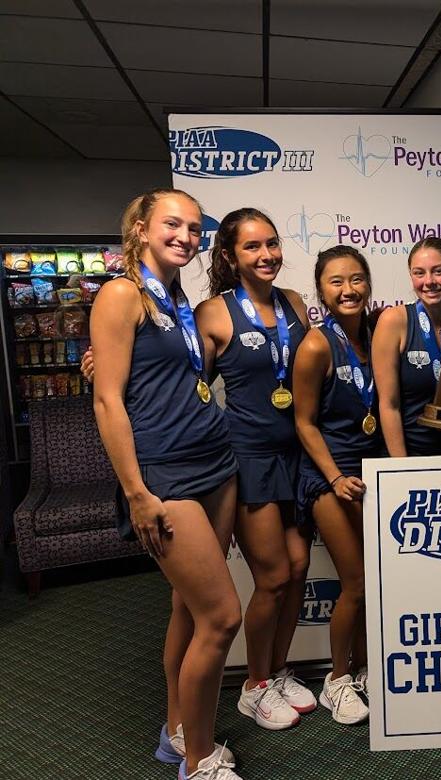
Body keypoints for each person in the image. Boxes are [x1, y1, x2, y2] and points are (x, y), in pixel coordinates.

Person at [91, 189, 242, 779]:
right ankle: (200, 761)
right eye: (173, 224)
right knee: (223, 617)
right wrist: (136, 494)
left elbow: (165, 375)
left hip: (216, 464)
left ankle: (176, 731)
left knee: (189, 606)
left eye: (195, 228)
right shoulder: (121, 293)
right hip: (165, 477)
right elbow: (109, 402)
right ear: (141, 229)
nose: (186, 235)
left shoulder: (179, 299)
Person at [193, 208, 316, 730]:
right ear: (229, 256)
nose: (266, 255)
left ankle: (278, 669)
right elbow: (185, 382)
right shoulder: (213, 312)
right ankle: (253, 685)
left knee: (299, 569)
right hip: (249, 458)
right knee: (272, 576)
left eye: (272, 244)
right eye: (252, 247)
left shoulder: (295, 303)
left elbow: (315, 370)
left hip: (299, 455)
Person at [293, 245, 383, 726]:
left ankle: (367, 668)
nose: (347, 290)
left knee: (376, 582)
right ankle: (337, 679)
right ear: (321, 290)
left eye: (356, 279)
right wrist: (333, 476)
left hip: (372, 473)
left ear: (368, 282)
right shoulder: (315, 344)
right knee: (355, 583)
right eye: (335, 282)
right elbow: (304, 423)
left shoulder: (379, 331)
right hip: (329, 476)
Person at [372, 237, 441, 456]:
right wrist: (403, 468)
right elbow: (389, 406)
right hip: (414, 455)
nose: (429, 281)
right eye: (419, 273)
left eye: (438, 271)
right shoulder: (393, 322)